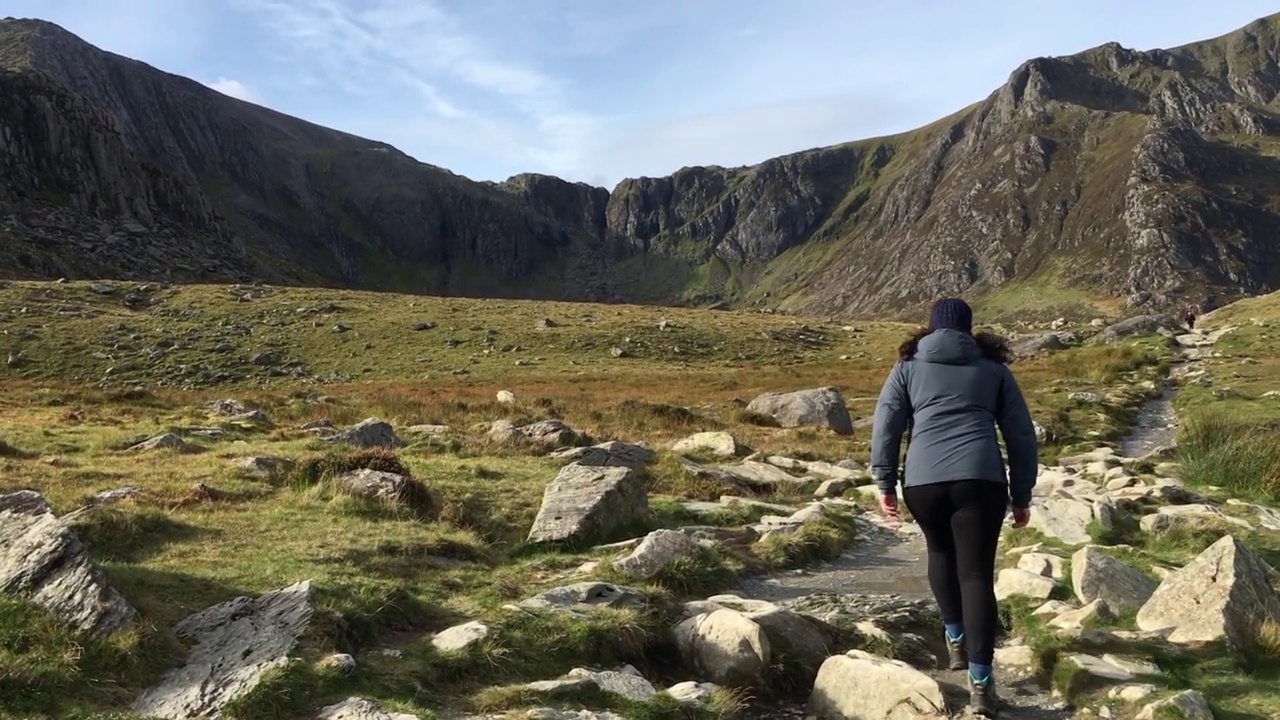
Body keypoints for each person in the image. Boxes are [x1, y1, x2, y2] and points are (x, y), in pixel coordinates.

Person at [869, 298, 1038, 718]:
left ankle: (955, 639)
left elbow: (886, 424)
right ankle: (981, 685)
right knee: (977, 574)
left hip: (923, 481)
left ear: (930, 329)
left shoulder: (907, 367)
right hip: (981, 480)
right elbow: (1020, 434)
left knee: (939, 553)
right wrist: (1022, 494)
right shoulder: (994, 369)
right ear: (968, 329)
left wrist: (884, 482)